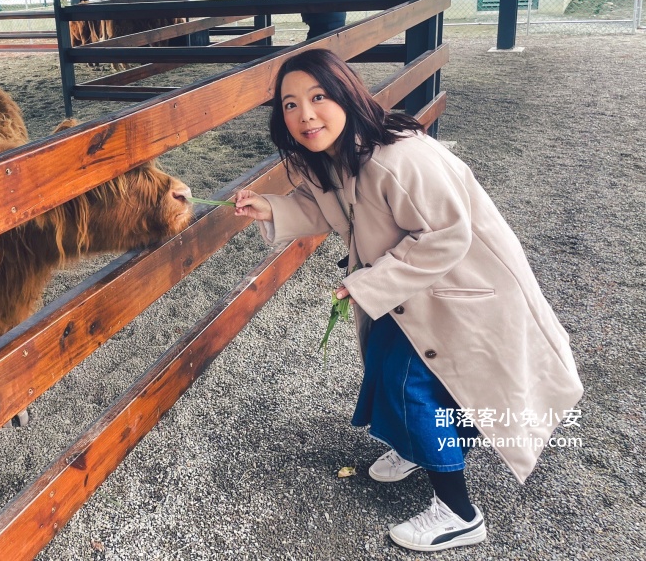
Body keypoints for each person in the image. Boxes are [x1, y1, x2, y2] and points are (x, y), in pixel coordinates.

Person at [233, 49, 583, 553]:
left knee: (410, 384)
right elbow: (325, 209)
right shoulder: (332, 158)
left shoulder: (399, 159)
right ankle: (419, 448)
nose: (305, 115)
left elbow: (445, 235)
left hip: (456, 289)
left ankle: (459, 513)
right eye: (290, 105)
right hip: (409, 289)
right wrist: (271, 205)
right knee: (389, 369)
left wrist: (367, 284)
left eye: (318, 97)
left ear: (348, 96)